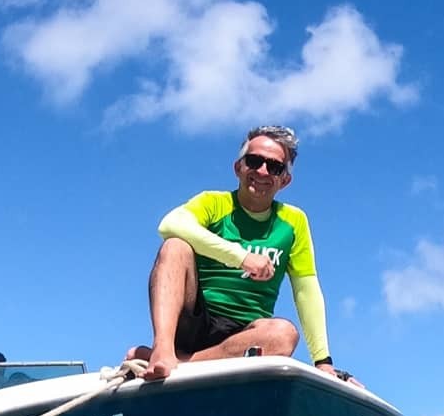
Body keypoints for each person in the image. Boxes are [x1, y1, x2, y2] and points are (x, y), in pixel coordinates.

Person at [127, 125, 351, 383]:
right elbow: (169, 224)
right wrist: (240, 256)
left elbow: (306, 289)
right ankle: (163, 349)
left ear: (285, 180)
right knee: (175, 245)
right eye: (254, 161)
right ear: (239, 168)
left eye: (274, 167)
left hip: (246, 335)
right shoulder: (213, 202)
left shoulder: (294, 221)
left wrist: (322, 362)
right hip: (196, 319)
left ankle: (179, 362)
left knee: (284, 334)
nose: (262, 171)